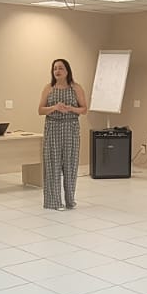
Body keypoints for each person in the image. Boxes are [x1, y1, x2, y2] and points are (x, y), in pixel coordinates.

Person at [38, 58, 88, 210]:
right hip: (53, 128)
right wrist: (54, 107)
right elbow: (40, 110)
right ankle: (54, 202)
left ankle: (70, 200)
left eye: (60, 68)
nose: (57, 71)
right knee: (52, 164)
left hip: (70, 128)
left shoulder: (76, 88)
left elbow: (84, 109)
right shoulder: (49, 88)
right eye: (55, 68)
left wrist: (71, 109)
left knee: (70, 164)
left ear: (67, 71)